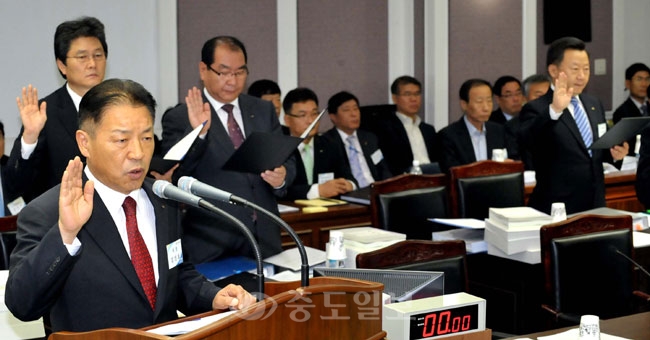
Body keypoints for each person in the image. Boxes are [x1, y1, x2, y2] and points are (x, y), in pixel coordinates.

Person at [5, 79, 255, 333]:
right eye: (121, 140)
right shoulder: (48, 212)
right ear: (84, 143)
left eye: (146, 137)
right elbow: (22, 305)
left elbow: (177, 276)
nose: (138, 152)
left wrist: (213, 296)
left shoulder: (163, 199)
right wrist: (65, 235)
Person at [161, 36, 295, 263]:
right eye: (223, 72)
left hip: (265, 239)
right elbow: (176, 176)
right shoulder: (180, 117)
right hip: (212, 241)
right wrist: (199, 133)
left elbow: (288, 160)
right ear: (203, 70)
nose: (233, 81)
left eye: (240, 72)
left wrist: (281, 177)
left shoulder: (262, 110)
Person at [519, 37, 628, 214]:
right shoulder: (537, 108)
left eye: (586, 69)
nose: (581, 76)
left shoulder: (593, 104)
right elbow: (529, 141)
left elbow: (596, 151)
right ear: (553, 70)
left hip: (595, 204)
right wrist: (554, 110)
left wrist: (615, 154)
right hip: (558, 207)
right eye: (575, 69)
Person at [8, 17, 107, 203]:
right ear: (62, 65)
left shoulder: (118, 108)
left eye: (98, 55)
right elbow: (16, 186)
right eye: (82, 57)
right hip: (58, 223)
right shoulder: (45, 113)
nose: (92, 64)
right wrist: (29, 138)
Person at [283, 88, 355, 199]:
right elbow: (279, 189)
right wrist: (317, 190)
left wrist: (348, 185)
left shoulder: (330, 144)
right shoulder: (280, 149)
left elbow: (350, 179)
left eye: (314, 113)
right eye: (303, 115)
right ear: (287, 120)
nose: (311, 121)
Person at [372, 76, 442, 175]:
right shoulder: (385, 129)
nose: (413, 99)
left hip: (433, 178)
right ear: (395, 98)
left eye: (417, 94)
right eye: (407, 94)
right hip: (406, 180)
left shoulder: (428, 129)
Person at [439, 79, 512, 173]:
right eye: (479, 101)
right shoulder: (448, 136)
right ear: (464, 104)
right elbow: (453, 172)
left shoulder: (499, 131)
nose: (486, 107)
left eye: (489, 101)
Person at [323, 91, 392, 188]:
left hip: (375, 190)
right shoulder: (326, 142)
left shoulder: (370, 138)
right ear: (333, 116)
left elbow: (382, 168)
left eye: (356, 109)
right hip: (349, 193)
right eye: (346, 110)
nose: (354, 114)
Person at [612, 63, 650, 155]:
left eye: (647, 79)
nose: (644, 84)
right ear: (628, 83)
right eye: (639, 79)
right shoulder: (621, 112)